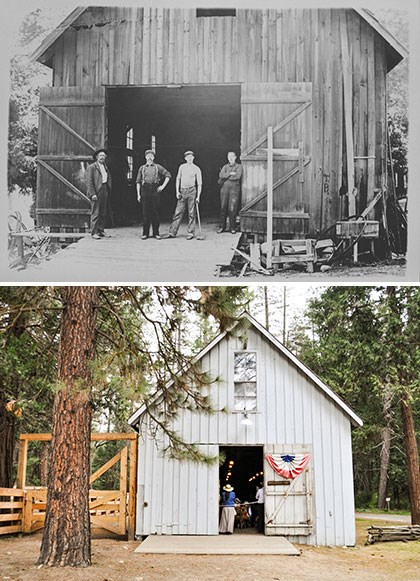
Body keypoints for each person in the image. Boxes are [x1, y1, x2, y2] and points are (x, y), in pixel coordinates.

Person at [165, 151, 202, 240]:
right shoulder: (182, 167)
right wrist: (177, 191)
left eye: (191, 157)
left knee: (191, 213)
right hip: (182, 191)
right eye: (187, 157)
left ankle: (191, 233)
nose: (189, 158)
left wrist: (198, 196)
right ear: (185, 158)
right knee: (178, 212)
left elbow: (199, 184)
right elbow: (178, 179)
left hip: (192, 191)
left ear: (193, 158)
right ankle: (172, 232)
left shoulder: (196, 168)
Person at [136, 150, 171, 240]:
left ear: (154, 158)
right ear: (145, 157)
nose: (150, 157)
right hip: (145, 190)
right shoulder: (142, 168)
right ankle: (145, 233)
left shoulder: (157, 167)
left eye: (151, 156)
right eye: (148, 156)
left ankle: (156, 233)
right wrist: (138, 194)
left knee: (155, 212)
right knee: (145, 213)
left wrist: (162, 186)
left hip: (155, 189)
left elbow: (168, 175)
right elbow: (138, 182)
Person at [86, 148, 112, 239]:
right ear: (97, 157)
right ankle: (94, 232)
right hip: (96, 191)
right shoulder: (92, 167)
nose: (102, 157)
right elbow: (89, 181)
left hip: (104, 189)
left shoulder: (105, 166)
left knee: (103, 212)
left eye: (104, 156)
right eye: (100, 155)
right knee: (96, 212)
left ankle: (101, 230)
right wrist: (92, 193)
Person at [217, 151, 242, 234]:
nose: (230, 158)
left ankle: (232, 227)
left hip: (234, 189)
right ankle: (222, 227)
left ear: (235, 157)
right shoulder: (225, 166)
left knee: (232, 209)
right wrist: (230, 173)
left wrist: (226, 176)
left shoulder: (239, 166)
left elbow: (237, 176)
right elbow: (221, 175)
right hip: (224, 189)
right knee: (223, 207)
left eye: (232, 156)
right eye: (229, 156)